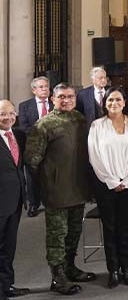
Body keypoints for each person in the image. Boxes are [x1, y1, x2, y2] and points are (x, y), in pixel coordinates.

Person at [24, 83, 97, 296]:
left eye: (70, 97)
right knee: (57, 235)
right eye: (61, 97)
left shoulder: (80, 120)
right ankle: (57, 276)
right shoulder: (43, 125)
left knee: (74, 232)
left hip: (78, 187)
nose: (65, 100)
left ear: (75, 99)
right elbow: (32, 160)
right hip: (56, 191)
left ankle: (70, 267)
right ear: (53, 99)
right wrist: (48, 181)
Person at [87, 87, 128, 288]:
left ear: (124, 102)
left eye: (118, 99)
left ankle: (127, 267)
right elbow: (94, 157)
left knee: (126, 227)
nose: (114, 103)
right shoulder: (97, 126)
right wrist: (111, 181)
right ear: (105, 103)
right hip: (105, 185)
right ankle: (114, 270)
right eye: (110, 100)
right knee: (109, 228)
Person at [0, 100, 30, 298]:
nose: (8, 117)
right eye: (3, 114)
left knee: (9, 246)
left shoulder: (18, 135)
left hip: (16, 200)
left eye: (11, 113)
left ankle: (7, 285)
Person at [16, 76, 51, 217]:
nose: (44, 89)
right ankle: (34, 204)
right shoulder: (25, 106)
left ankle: (50, 202)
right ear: (33, 90)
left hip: (53, 147)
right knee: (32, 178)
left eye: (46, 87)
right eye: (41, 87)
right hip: (33, 148)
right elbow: (24, 126)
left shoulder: (55, 103)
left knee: (51, 176)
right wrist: (42, 133)